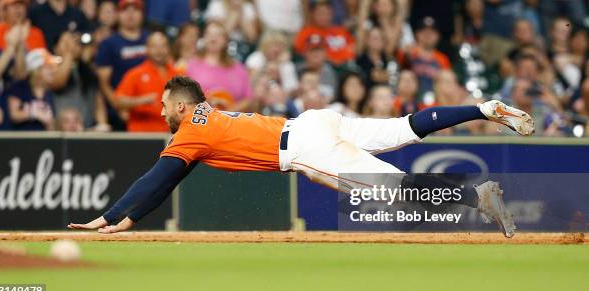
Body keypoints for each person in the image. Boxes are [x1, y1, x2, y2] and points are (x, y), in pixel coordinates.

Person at [68, 76, 535, 238]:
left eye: (167, 104)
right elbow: (168, 179)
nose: (163, 110)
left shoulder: (189, 129)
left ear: (185, 107)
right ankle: (481, 108)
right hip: (313, 121)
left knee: (392, 189)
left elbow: (158, 177)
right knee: (403, 127)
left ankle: (478, 198)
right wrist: (128, 218)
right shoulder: (209, 116)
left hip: (305, 147)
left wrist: (112, 215)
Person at [95, 0, 148, 131]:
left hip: (149, 111)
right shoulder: (108, 44)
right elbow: (103, 83)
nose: (130, 14)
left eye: (135, 9)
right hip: (118, 113)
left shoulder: (152, 40)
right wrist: (119, 107)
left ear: (142, 14)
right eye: (125, 9)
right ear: (118, 14)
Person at [185, 21, 253, 112]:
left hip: (231, 121)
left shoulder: (238, 69)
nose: (213, 38)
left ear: (226, 40)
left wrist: (229, 112)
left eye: (218, 34)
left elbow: (248, 98)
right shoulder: (191, 65)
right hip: (201, 119)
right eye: (209, 34)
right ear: (204, 38)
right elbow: (183, 96)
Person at [115, 32, 175, 132]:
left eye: (163, 46)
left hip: (171, 136)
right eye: (154, 46)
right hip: (143, 136)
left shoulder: (177, 74)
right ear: (147, 49)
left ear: (169, 49)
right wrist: (141, 100)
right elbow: (118, 101)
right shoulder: (135, 74)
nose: (159, 50)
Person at [6, 48, 58, 131]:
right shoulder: (19, 87)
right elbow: (13, 115)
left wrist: (50, 124)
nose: (52, 71)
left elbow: (50, 123)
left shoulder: (48, 92)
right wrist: (33, 113)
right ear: (37, 70)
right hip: (21, 139)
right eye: (48, 67)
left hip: (42, 140)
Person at [397, 16, 451, 93]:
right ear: (416, 34)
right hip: (411, 99)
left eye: (432, 32)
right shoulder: (408, 51)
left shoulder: (442, 58)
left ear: (438, 36)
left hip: (435, 98)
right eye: (424, 31)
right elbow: (399, 68)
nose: (428, 35)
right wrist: (407, 55)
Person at [294, 0, 355, 66]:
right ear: (313, 14)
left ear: (331, 13)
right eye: (320, 13)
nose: (324, 17)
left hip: (345, 66)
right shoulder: (306, 33)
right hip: (322, 68)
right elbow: (299, 54)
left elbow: (353, 49)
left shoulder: (341, 31)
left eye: (327, 13)